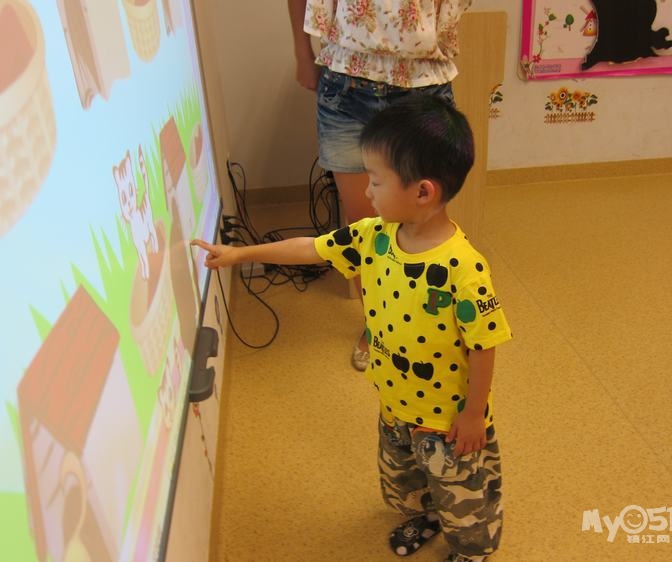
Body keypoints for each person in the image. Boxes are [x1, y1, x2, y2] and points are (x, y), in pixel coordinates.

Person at [192, 95, 512, 562]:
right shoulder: (373, 236)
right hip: (395, 403)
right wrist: (242, 254)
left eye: (376, 181)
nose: (367, 192)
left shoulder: (464, 269)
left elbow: (485, 344)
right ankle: (425, 515)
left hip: (448, 419)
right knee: (405, 478)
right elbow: (312, 248)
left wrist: (473, 414)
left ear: (423, 192)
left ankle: (471, 550)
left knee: (463, 494)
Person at [287, 0, 473, 371]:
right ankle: (378, 324)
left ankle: (430, 322)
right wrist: (302, 53)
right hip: (347, 82)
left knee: (426, 223)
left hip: (423, 82)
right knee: (364, 229)